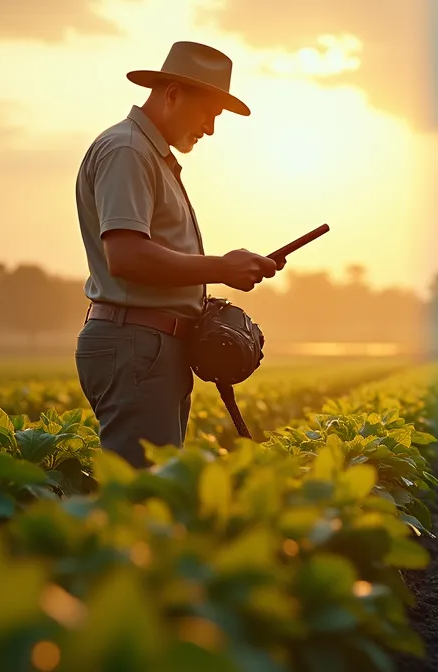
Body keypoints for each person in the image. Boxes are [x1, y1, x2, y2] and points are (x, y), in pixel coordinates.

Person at [73, 41, 282, 468]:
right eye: (210, 113)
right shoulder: (128, 151)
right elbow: (127, 257)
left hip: (147, 347)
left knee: (152, 493)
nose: (210, 129)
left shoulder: (146, 154)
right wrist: (222, 268)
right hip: (136, 345)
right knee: (142, 500)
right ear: (173, 95)